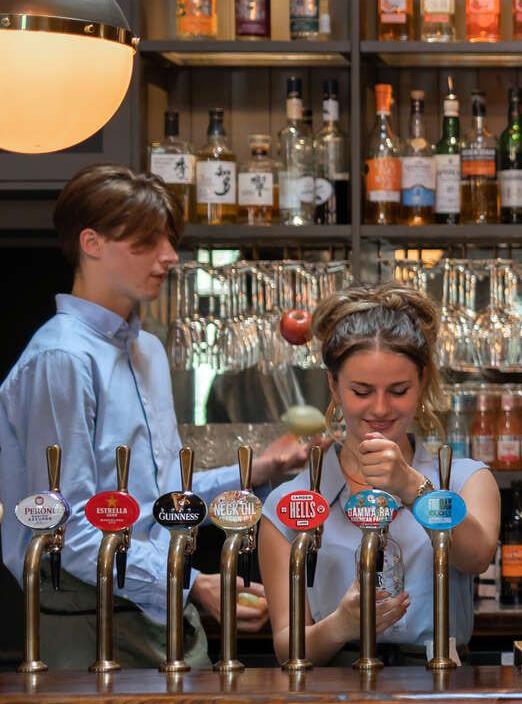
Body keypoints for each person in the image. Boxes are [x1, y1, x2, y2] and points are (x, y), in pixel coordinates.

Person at [0, 164, 303, 669]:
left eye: (169, 239)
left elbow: (157, 499)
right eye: (146, 241)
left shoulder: (146, 350)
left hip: (161, 609)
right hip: (90, 614)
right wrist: (189, 582)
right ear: (91, 243)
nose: (169, 256)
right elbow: (65, 528)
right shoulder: (61, 358)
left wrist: (259, 471)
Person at [260, 285, 499, 665]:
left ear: (421, 385)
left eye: (399, 390)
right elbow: (287, 646)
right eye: (361, 391)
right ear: (334, 387)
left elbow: (476, 557)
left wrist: (412, 487)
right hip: (333, 693)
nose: (381, 407)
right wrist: (340, 625)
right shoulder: (290, 502)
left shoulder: (463, 479)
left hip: (438, 685)